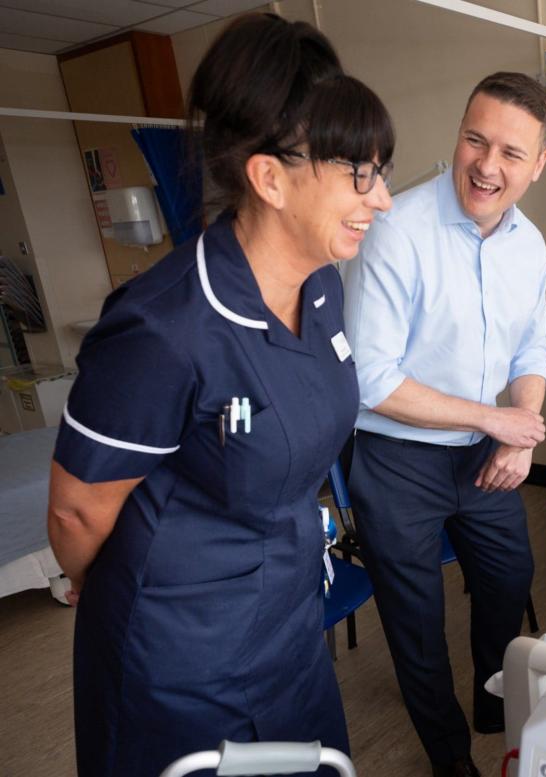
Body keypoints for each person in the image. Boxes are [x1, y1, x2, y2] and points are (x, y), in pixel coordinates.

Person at [45, 13, 394, 777]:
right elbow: (76, 512)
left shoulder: (323, 289)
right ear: (270, 176)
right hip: (179, 662)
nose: (384, 198)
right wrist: (120, 597)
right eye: (359, 175)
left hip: (289, 623)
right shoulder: (164, 329)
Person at [342, 72, 546, 777]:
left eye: (511, 153)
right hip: (398, 458)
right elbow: (372, 377)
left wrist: (520, 424)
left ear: (537, 165)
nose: (487, 166)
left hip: (484, 453)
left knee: (509, 572)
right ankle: (449, 754)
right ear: (459, 134)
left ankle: (493, 694)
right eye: (475, 140)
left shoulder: (530, 246)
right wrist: (499, 418)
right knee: (415, 619)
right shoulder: (396, 231)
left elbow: (530, 347)